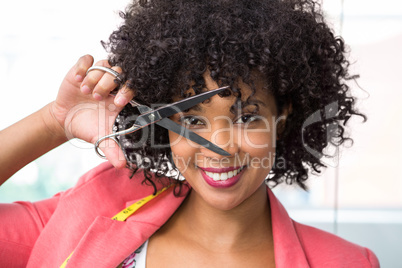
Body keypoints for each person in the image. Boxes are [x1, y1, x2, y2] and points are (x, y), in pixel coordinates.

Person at [0, 0, 380, 267]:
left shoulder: (347, 263)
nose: (219, 146)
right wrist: (53, 122)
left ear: (284, 113)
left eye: (247, 118)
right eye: (192, 120)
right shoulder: (95, 208)